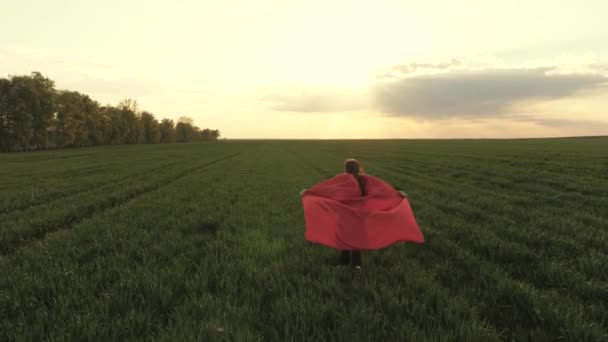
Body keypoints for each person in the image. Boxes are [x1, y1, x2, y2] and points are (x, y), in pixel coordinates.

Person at [300, 158, 415, 274]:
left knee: (344, 239)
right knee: (356, 240)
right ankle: (355, 265)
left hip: (345, 216)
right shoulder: (365, 179)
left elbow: (327, 189)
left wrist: (309, 192)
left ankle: (346, 264)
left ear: (346, 169)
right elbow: (382, 189)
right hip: (360, 216)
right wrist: (397, 194)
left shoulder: (343, 179)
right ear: (358, 168)